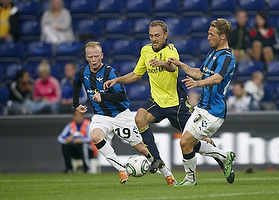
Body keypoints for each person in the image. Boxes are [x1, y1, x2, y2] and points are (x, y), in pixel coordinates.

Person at [103, 20, 192, 186]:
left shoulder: (170, 50)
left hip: (175, 104)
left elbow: (173, 68)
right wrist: (117, 79)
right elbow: (136, 75)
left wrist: (162, 63)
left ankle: (220, 156)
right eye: (151, 36)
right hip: (157, 102)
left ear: (165, 35)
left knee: (196, 137)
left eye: (157, 35)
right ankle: (157, 159)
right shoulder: (145, 50)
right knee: (140, 118)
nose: (154, 39)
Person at [73, 41, 161, 184]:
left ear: (102, 56)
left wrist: (103, 96)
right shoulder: (82, 72)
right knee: (95, 136)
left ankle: (167, 173)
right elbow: (76, 81)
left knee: (141, 147)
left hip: (120, 114)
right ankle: (121, 169)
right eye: (90, 57)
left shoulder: (110, 72)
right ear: (86, 57)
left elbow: (122, 96)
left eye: (96, 56)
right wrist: (76, 103)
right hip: (101, 115)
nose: (93, 60)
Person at [168, 18, 236, 186]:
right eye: (208, 34)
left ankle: (190, 180)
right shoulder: (212, 53)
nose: (208, 37)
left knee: (185, 142)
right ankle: (223, 157)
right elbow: (200, 73)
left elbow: (217, 78)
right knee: (188, 144)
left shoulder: (227, 57)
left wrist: (197, 84)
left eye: (211, 34)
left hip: (214, 111)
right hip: (202, 108)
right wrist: (180, 64)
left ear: (223, 36)